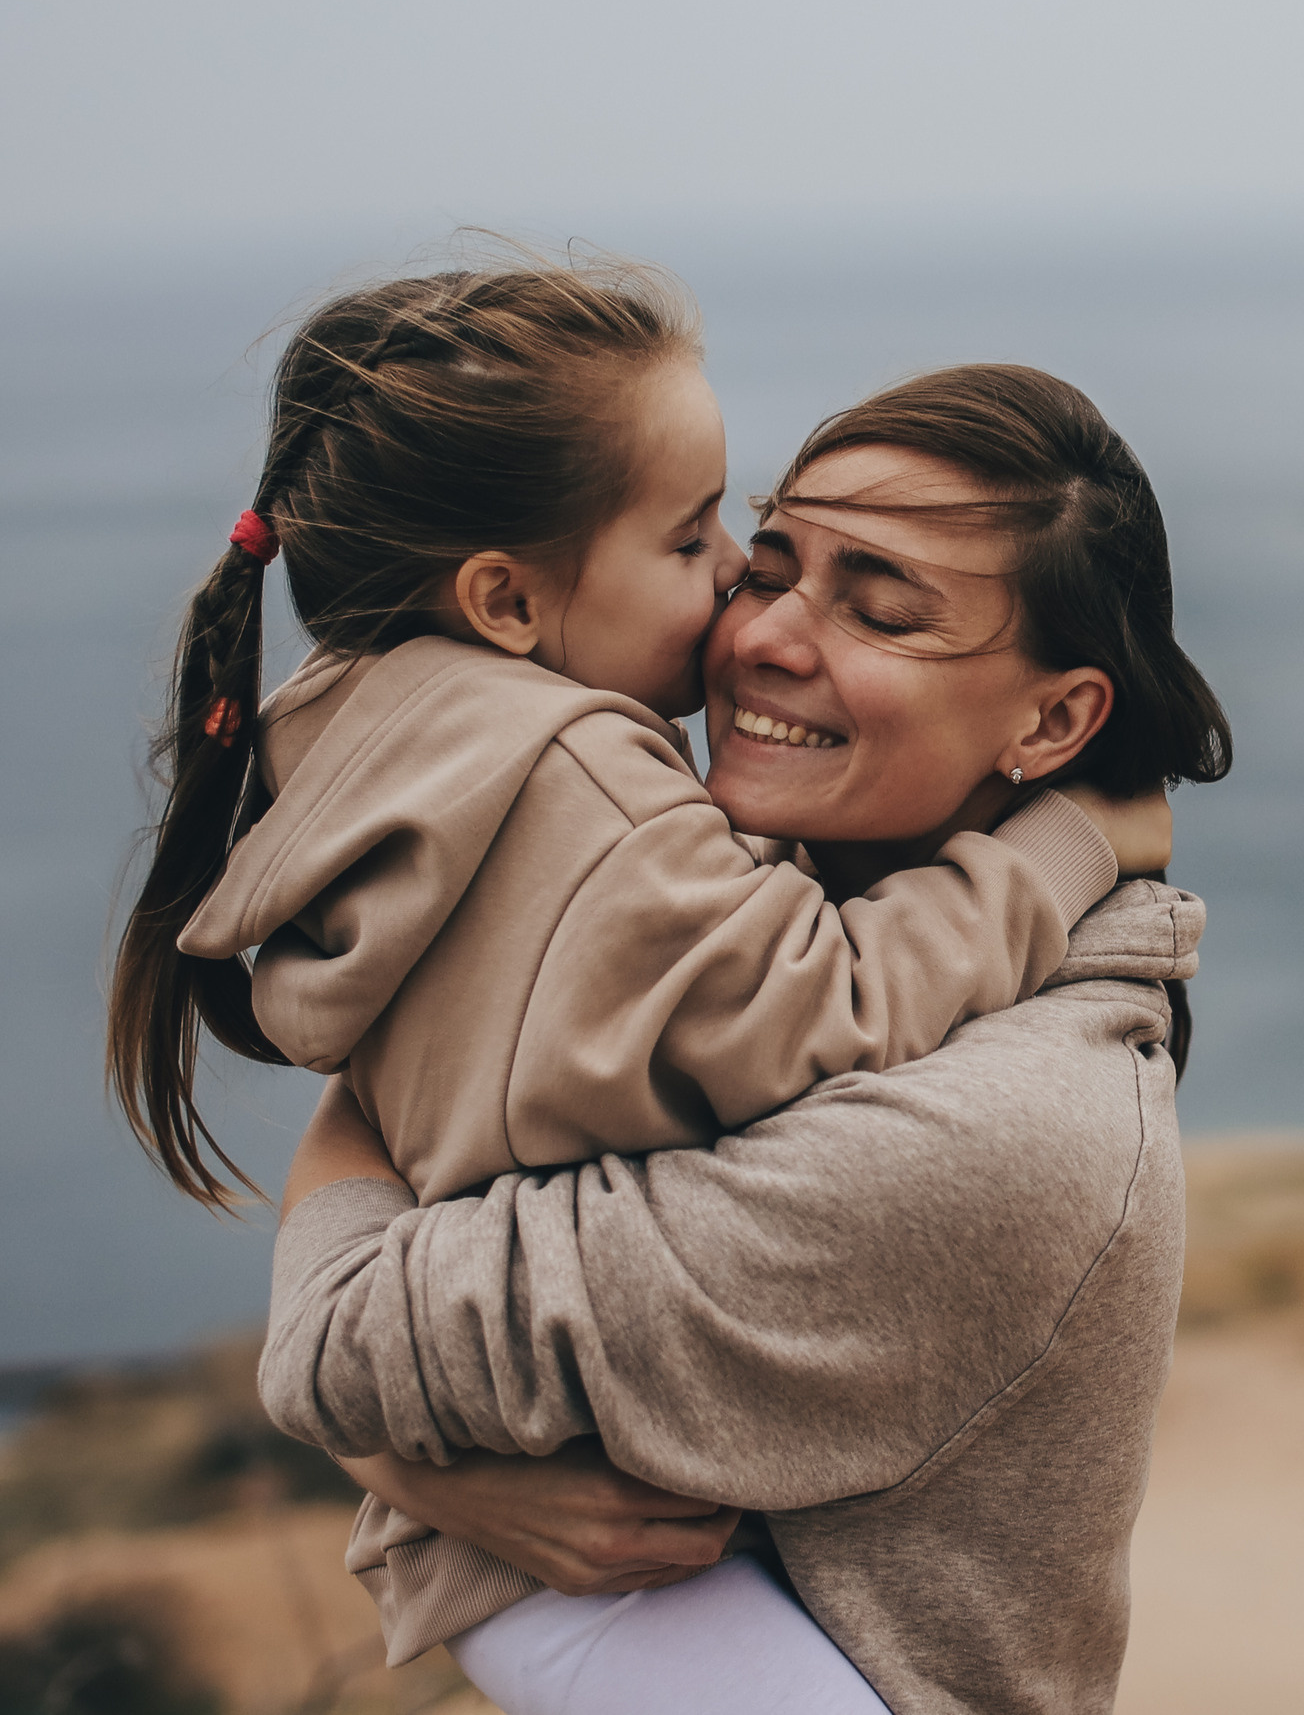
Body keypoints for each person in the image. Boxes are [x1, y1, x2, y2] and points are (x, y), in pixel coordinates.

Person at [108, 262, 1166, 1688]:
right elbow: (346, 1341)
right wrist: (1063, 848)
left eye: (882, 610)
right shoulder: (617, 814)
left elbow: (359, 1254)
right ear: (503, 599)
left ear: (1056, 718)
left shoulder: (1004, 1131)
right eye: (741, 555)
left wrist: (406, 1455)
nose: (746, 603)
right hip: (631, 1596)